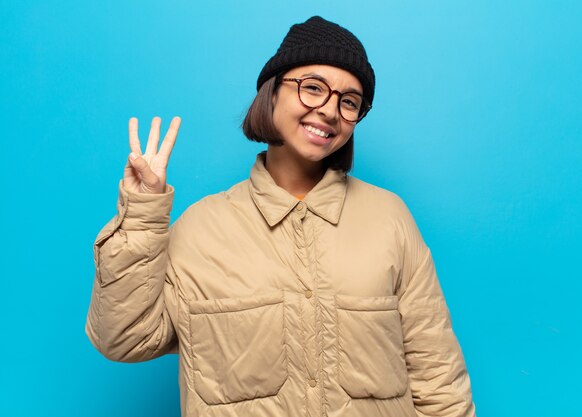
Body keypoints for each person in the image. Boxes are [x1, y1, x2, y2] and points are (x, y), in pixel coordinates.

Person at [86, 16, 476, 417]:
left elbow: (437, 377)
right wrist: (140, 217)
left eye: (349, 101)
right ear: (271, 93)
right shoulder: (201, 229)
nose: (329, 111)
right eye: (312, 88)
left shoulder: (389, 218)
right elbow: (123, 339)